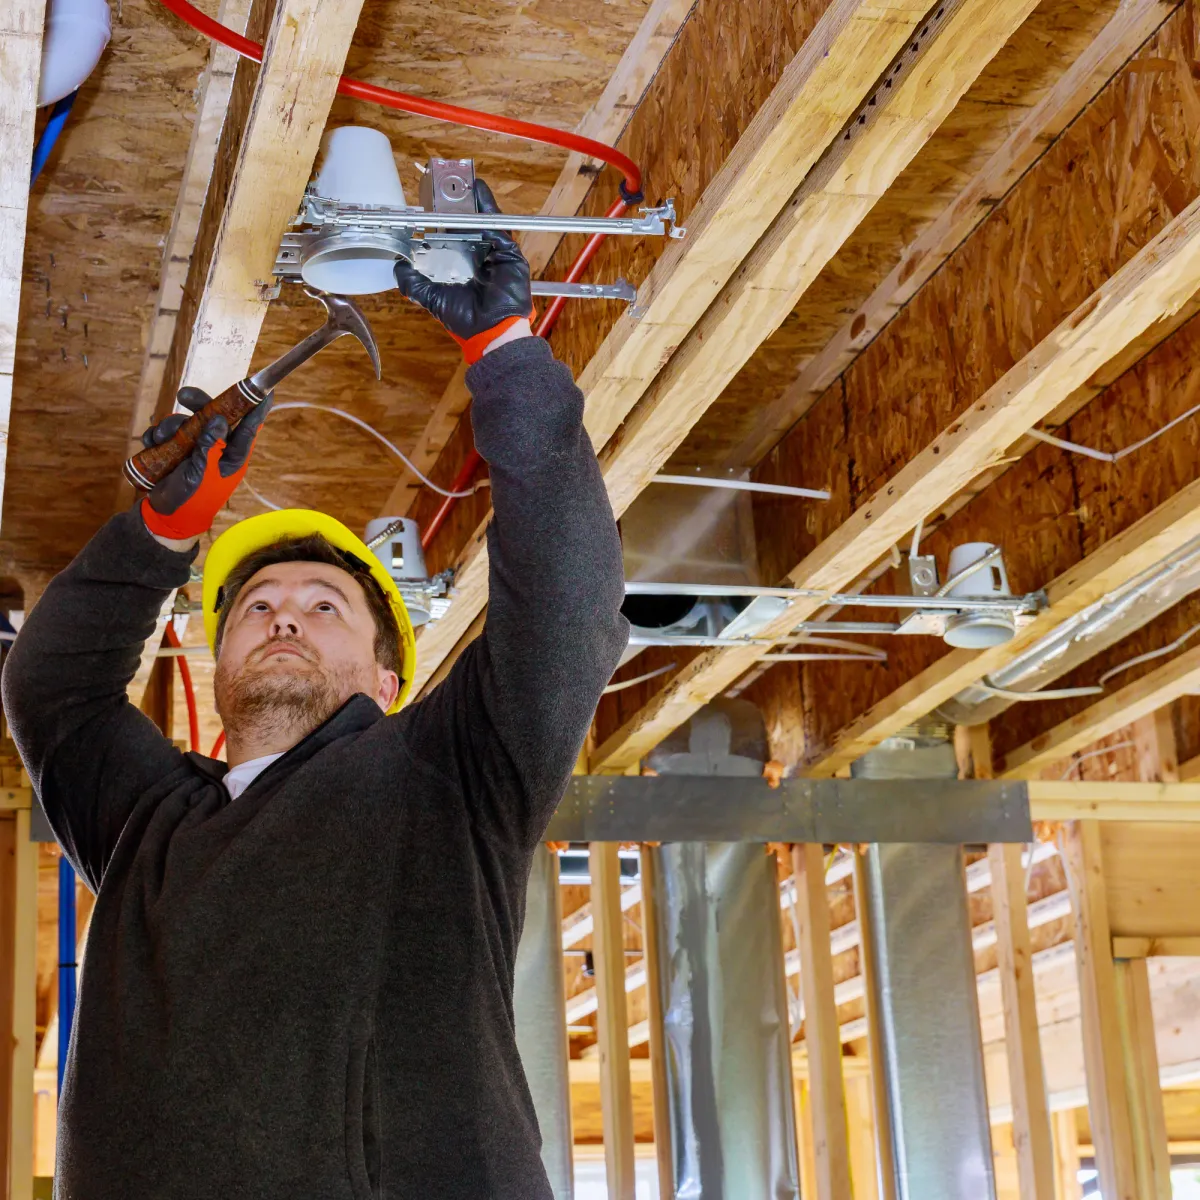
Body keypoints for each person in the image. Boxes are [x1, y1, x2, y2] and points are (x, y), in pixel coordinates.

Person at [2, 181, 628, 1200]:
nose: (283, 616)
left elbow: (567, 600)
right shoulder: (148, 824)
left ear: (388, 678)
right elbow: (51, 687)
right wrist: (162, 530)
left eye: (324, 606)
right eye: (257, 607)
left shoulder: (449, 777)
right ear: (219, 673)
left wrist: (506, 353)